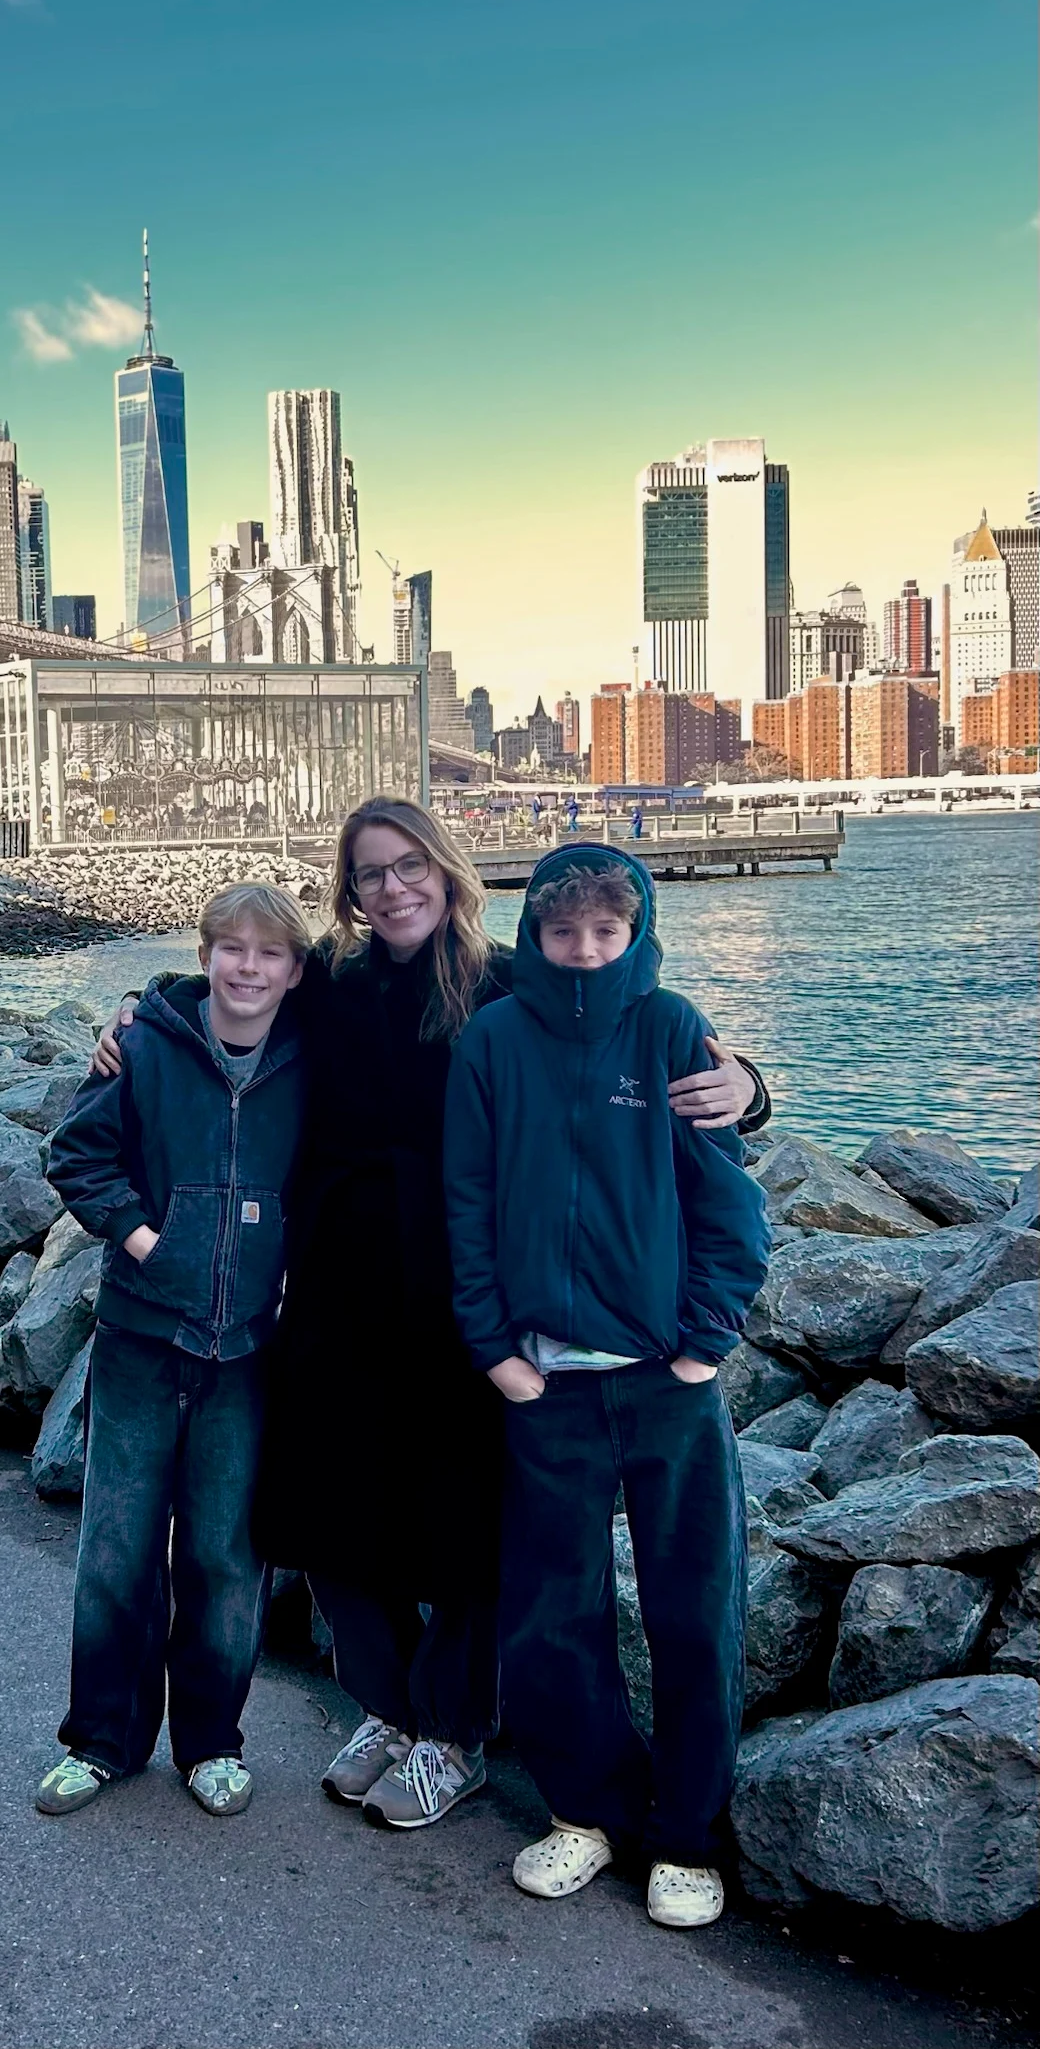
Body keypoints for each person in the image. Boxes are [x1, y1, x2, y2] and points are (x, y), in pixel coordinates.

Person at [92, 799, 768, 1832]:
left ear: (447, 872)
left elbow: (624, 1025)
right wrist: (136, 1015)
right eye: (371, 873)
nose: (393, 887)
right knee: (327, 1509)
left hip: (466, 1286)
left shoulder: (508, 983)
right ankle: (389, 1705)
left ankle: (452, 1729)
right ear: (351, 892)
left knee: (462, 1520)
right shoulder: (333, 979)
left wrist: (750, 1085)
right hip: (337, 1276)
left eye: (410, 865)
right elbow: (232, 983)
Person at [444, 847, 771, 1930]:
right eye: (562, 932)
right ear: (533, 937)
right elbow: (467, 1201)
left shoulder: (671, 1027)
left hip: (669, 1381)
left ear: (635, 934)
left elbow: (727, 1200)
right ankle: (584, 1811)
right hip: (546, 1386)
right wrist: (497, 1350)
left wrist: (707, 1341)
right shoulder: (494, 1039)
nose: (584, 951)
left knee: (696, 1608)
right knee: (551, 1613)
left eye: (604, 932)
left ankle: (686, 1836)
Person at [38, 883, 312, 1821]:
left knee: (225, 1557)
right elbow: (77, 1154)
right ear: (204, 957)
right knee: (116, 1548)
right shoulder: (146, 1045)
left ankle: (211, 1744)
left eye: (269, 953)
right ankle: (100, 1741)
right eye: (231, 948)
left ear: (295, 971)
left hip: (248, 1351)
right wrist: (146, 1240)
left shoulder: (310, 1062)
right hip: (140, 1340)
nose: (248, 967)